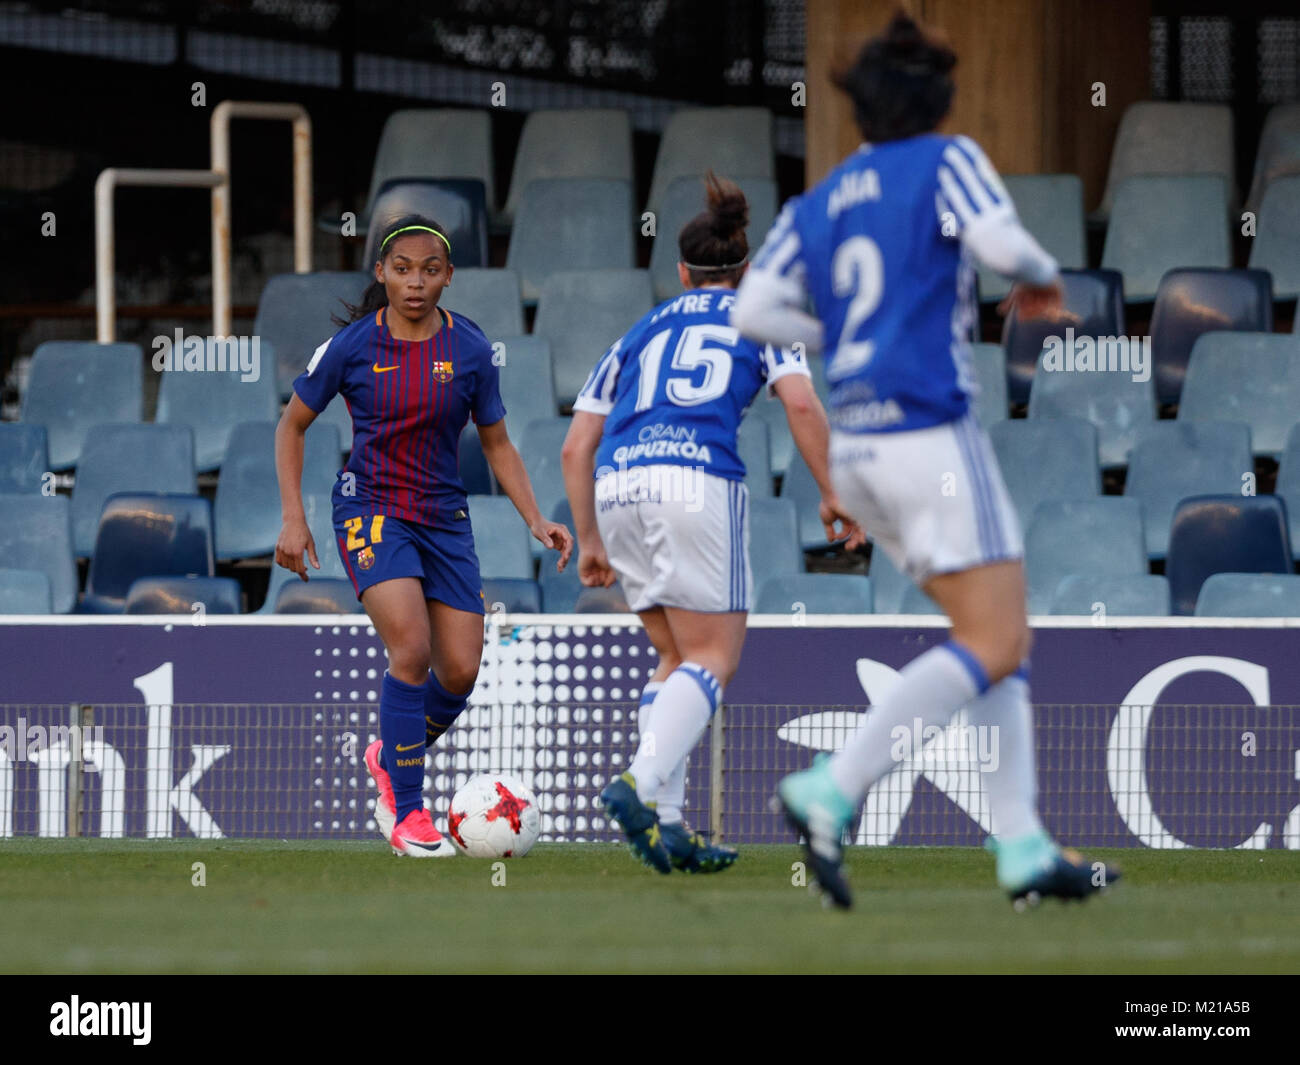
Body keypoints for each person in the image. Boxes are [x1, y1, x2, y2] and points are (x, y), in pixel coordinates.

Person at [731, 13, 1118, 909]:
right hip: (932, 433)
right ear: (938, 101)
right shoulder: (948, 161)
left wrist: (841, 332)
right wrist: (1040, 273)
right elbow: (1006, 250)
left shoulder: (819, 198)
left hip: (859, 446)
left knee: (994, 646)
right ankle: (831, 784)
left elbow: (752, 312)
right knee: (996, 637)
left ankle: (1021, 843)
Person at [562, 173, 861, 874]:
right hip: (696, 480)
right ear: (747, 269)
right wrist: (833, 492)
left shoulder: (638, 330)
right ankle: (638, 782)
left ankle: (667, 827)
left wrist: (593, 539)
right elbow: (803, 406)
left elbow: (577, 443)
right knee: (713, 659)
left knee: (674, 657)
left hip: (618, 481)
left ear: (682, 271)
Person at [275, 213, 573, 858]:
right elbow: (290, 427)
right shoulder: (353, 347)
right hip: (371, 509)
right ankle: (407, 814)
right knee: (409, 650)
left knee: (460, 670)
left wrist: (535, 518)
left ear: (448, 277)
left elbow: (496, 442)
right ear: (381, 273)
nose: (415, 282)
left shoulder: (469, 349)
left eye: (429, 270)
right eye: (402, 269)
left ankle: (389, 755)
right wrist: (294, 518)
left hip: (443, 515)